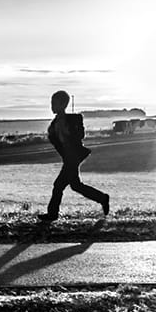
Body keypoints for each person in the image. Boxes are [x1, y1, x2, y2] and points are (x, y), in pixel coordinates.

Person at [40, 90, 109, 221]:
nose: (52, 106)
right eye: (51, 103)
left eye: (54, 103)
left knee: (58, 185)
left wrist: (70, 135)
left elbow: (80, 135)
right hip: (68, 158)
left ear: (62, 104)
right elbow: (57, 144)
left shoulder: (75, 118)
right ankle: (103, 198)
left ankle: (52, 214)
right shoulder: (53, 125)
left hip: (74, 156)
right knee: (76, 186)